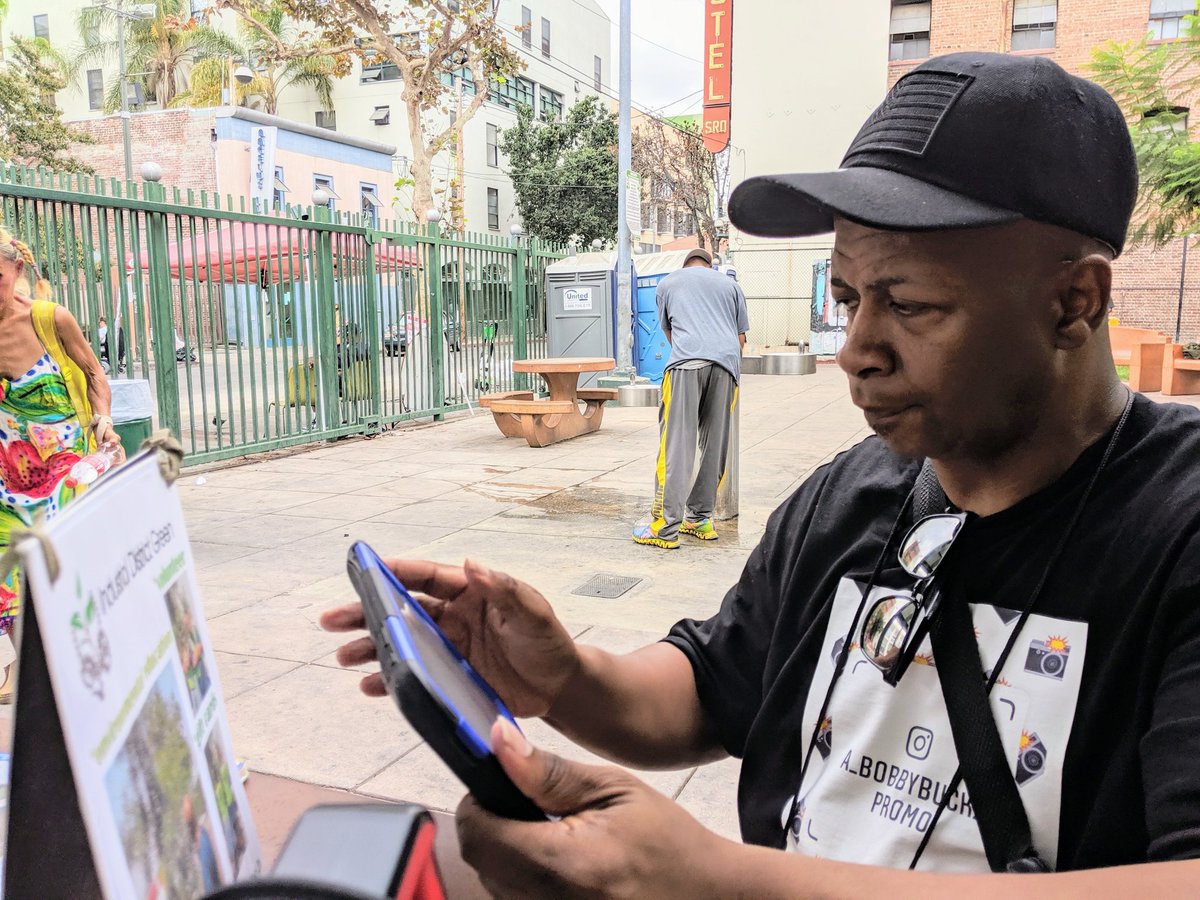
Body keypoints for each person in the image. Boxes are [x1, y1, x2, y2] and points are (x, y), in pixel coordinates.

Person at [321, 52, 1200, 895]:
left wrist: (724, 886)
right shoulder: (850, 496)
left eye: (911, 304)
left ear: (1074, 302)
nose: (857, 351)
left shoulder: (1177, 527)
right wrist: (563, 679)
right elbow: (712, 687)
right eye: (851, 299)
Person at [0, 226, 122, 699]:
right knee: (6, 574)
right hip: (7, 476)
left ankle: (87, 659)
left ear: (19, 270)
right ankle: (27, 672)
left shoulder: (51, 319)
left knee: (66, 568)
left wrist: (105, 419)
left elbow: (94, 372)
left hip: (64, 470)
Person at [632, 246, 749, 549]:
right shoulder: (731, 286)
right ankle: (699, 517)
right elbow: (740, 339)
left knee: (676, 445)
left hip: (686, 365)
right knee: (715, 445)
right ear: (710, 266)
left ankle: (665, 527)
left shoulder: (668, 283)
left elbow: (669, 333)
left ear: (686, 265)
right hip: (726, 366)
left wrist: (691, 352)